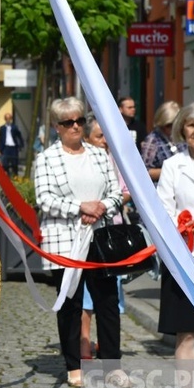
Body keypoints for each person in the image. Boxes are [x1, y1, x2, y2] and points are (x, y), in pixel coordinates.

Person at [33, 97, 126, 388]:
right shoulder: (47, 158)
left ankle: (112, 364)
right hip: (65, 241)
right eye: (67, 122)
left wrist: (101, 207)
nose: (75, 126)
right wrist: (79, 207)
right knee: (71, 304)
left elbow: (115, 191)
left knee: (108, 302)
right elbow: (44, 199)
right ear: (56, 127)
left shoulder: (99, 155)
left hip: (100, 237)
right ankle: (74, 365)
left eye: (79, 120)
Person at [156, 99, 194, 388]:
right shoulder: (172, 165)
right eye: (191, 125)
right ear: (182, 128)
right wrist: (187, 226)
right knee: (186, 335)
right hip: (184, 259)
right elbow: (163, 211)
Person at [80, 114, 128, 360]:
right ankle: (83, 342)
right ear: (87, 137)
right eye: (99, 137)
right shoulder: (82, 161)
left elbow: (125, 191)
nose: (104, 142)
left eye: (106, 137)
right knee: (85, 296)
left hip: (111, 234)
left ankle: (107, 348)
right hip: (83, 232)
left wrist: (102, 205)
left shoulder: (114, 161)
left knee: (109, 296)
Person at [141, 100, 184, 187]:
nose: (172, 128)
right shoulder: (153, 140)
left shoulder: (183, 136)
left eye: (175, 124)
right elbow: (144, 172)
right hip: (163, 189)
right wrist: (172, 170)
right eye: (168, 125)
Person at [0, 112, 25, 177]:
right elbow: (0, 138)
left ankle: (15, 176)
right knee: (5, 164)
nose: (8, 120)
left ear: (11, 119)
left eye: (9, 118)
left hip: (13, 147)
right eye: (7, 118)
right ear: (5, 119)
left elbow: (19, 136)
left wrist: (21, 145)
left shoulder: (14, 127)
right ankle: (7, 176)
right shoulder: (2, 128)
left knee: (14, 163)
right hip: (5, 147)